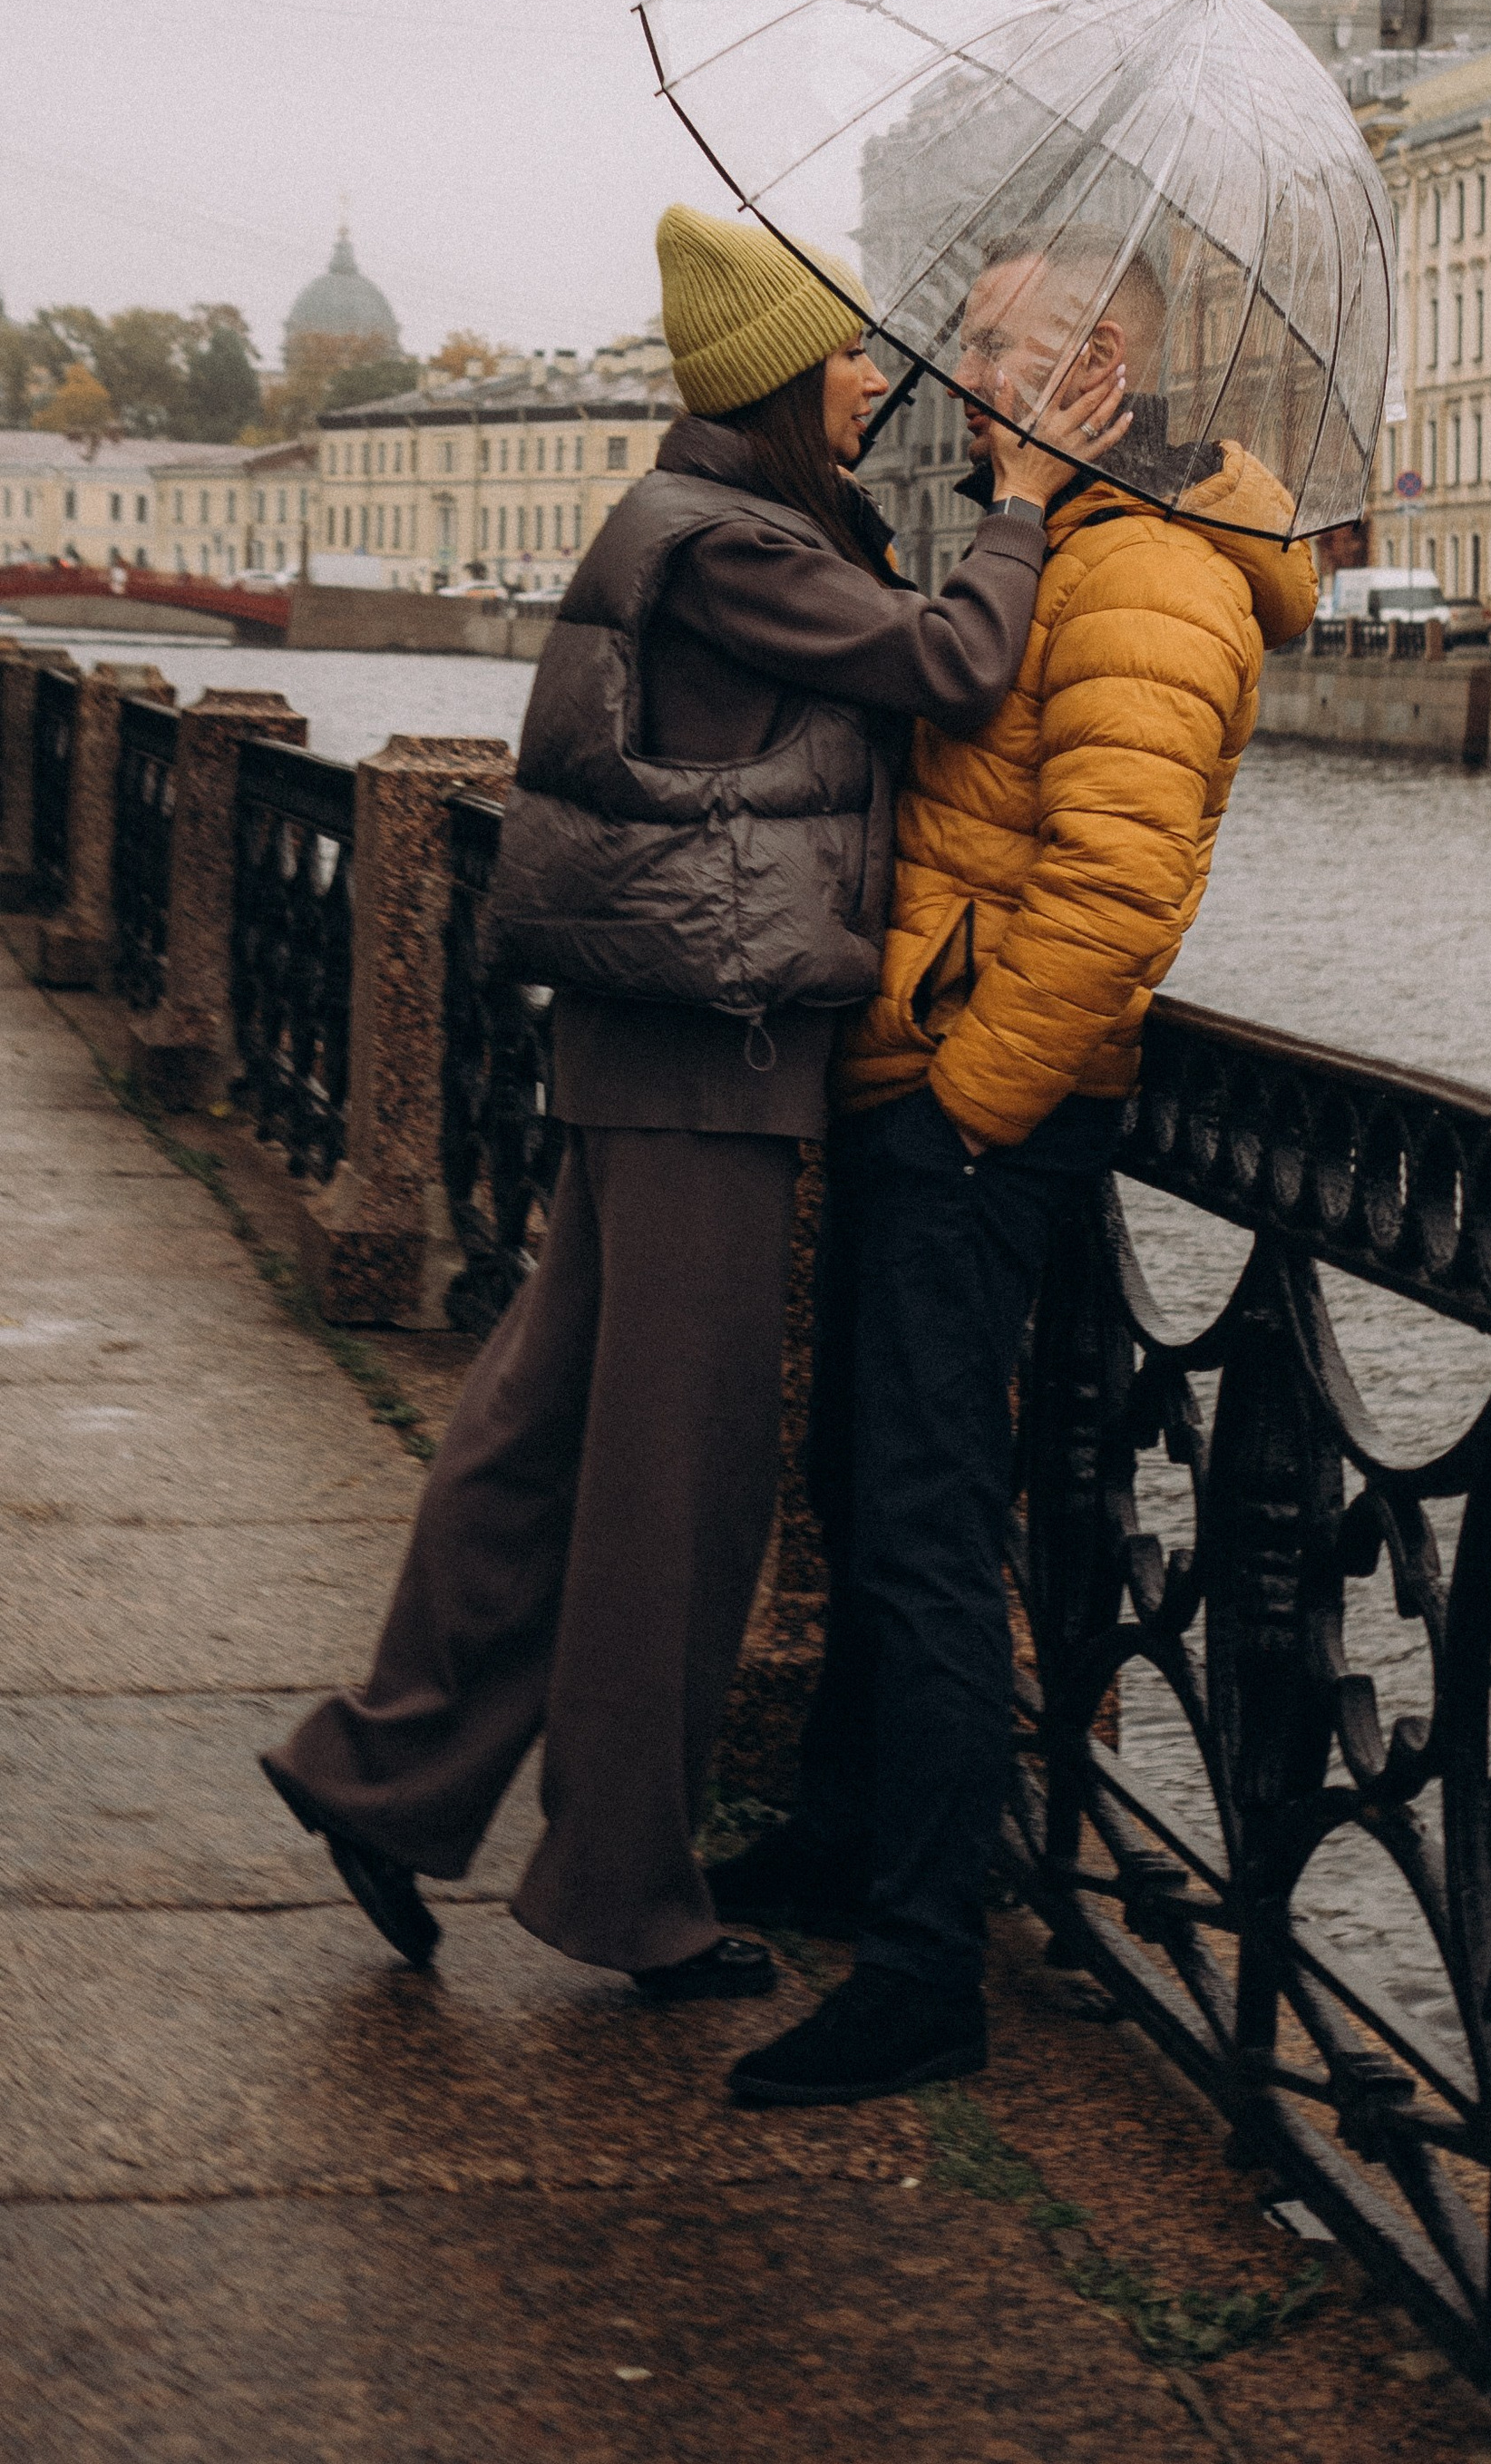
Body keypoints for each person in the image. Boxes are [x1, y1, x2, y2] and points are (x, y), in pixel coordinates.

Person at [261, 203, 1121, 2003]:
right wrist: (1031, 498)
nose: (880, 377)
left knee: (546, 1434)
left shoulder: (724, 520)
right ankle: (623, 1887)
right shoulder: (726, 542)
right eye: (848, 358)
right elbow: (950, 666)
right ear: (780, 385)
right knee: (679, 1478)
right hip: (709, 1050)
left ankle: (382, 1769)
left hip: (655, 1041)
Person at [715, 225, 1317, 2109]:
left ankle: (922, 1971)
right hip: (927, 1080)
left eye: (988, 346)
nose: (952, 372)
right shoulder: (1056, 536)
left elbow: (1115, 890)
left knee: (924, 1533)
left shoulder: (1154, 573)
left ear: (1096, 368)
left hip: (985, 1115)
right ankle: (838, 1839)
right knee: (868, 1486)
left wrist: (971, 1103)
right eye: (965, 340)